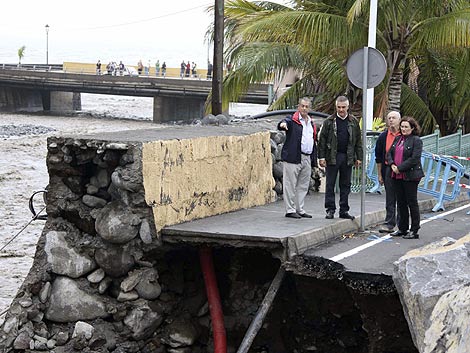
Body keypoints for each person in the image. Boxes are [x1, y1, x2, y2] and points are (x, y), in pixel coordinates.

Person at [318, 96, 362, 220]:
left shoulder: (353, 121)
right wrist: (321, 157)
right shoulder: (329, 121)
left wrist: (359, 157)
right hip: (332, 156)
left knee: (345, 184)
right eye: (339, 107)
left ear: (348, 107)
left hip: (347, 156)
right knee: (330, 184)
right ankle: (330, 209)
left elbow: (358, 141)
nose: (341, 110)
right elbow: (322, 141)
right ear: (336, 107)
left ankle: (344, 210)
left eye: (343, 107)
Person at [277, 97, 317, 219]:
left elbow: (313, 140)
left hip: (307, 156)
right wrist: (283, 124)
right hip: (294, 156)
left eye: (306, 106)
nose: (304, 108)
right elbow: (283, 122)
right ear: (298, 107)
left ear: (309, 108)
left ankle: (300, 208)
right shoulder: (292, 120)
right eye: (302, 106)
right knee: (290, 183)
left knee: (303, 184)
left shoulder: (311, 122)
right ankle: (290, 209)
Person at [387, 117, 424, 239]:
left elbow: (414, 159)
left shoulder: (416, 140)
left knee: (411, 202)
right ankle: (402, 228)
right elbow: (390, 153)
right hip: (396, 175)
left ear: (412, 128)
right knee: (400, 202)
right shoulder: (398, 139)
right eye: (402, 127)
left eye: (406, 127)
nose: (403, 129)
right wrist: (392, 164)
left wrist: (400, 168)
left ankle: (414, 230)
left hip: (410, 176)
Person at [375, 111, 401, 233]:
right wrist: (380, 174)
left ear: (399, 120)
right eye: (389, 118)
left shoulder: (404, 134)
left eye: (394, 118)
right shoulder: (383, 137)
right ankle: (390, 223)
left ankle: (402, 224)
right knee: (390, 197)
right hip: (387, 169)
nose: (391, 120)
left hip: (402, 169)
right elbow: (379, 157)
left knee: (402, 197)